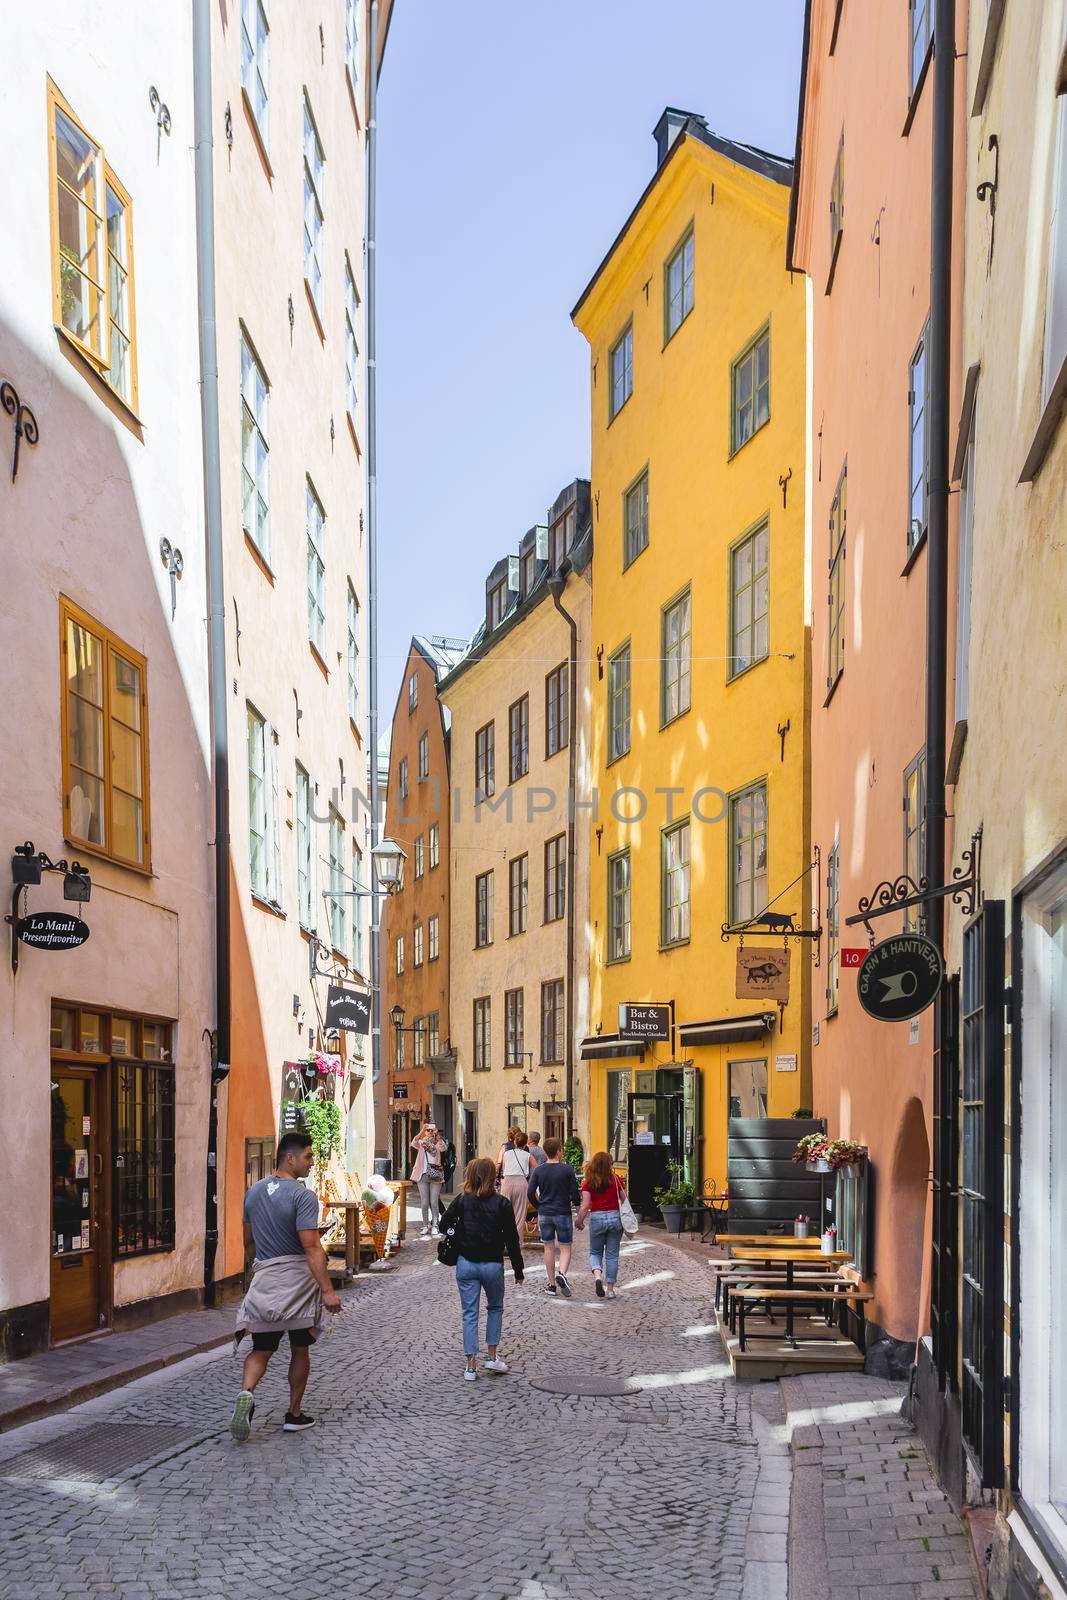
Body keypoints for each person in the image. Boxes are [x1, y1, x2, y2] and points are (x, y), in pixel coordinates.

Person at [230, 1131, 341, 1441]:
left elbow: (248, 1242)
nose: (311, 1162)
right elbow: (311, 1246)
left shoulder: (253, 1193)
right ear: (289, 1158)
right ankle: (294, 1414)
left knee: (262, 1348)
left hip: (265, 1277)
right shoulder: (302, 1196)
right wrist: (328, 1290)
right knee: (300, 1347)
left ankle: (247, 1393)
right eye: (308, 1156)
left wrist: (257, 1273)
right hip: (298, 1283)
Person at [439, 1156, 524, 1381]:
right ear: (492, 1176)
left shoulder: (462, 1200)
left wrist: (456, 1234)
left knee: (469, 1313)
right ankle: (492, 1356)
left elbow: (444, 1224)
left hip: (466, 1263)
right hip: (492, 1265)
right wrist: (518, 1269)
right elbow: (512, 1239)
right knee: (495, 1308)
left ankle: (470, 1366)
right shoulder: (502, 1203)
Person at [526, 1136, 581, 1297]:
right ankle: (562, 1274)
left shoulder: (539, 1170)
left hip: (545, 1213)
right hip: (562, 1212)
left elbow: (530, 1193)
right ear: (558, 1151)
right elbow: (575, 1194)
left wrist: (538, 1207)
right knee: (565, 1247)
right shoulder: (567, 1169)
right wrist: (579, 1215)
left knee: (548, 1248)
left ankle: (551, 1285)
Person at [576, 1150, 626, 1299]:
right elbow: (625, 1199)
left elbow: (585, 1205)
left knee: (595, 1252)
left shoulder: (588, 1181)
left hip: (597, 1218)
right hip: (615, 1217)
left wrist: (579, 1221)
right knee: (612, 1255)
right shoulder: (616, 1179)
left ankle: (598, 1277)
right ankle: (610, 1289)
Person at [410, 1121, 448, 1239]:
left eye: (432, 1130)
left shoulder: (438, 1142)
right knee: (424, 1202)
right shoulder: (422, 1143)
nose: (430, 1132)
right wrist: (422, 1131)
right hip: (422, 1174)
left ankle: (435, 1225)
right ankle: (425, 1225)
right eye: (428, 1130)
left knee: (434, 1201)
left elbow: (443, 1148)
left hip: (435, 1174)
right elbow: (414, 1142)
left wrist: (438, 1136)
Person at [498, 1126, 532, 1236]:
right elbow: (536, 1168)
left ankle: (504, 1240)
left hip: (507, 1181)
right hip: (522, 1182)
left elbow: (500, 1165)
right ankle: (516, 1243)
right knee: (520, 1214)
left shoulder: (505, 1150)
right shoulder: (527, 1152)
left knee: (504, 1212)